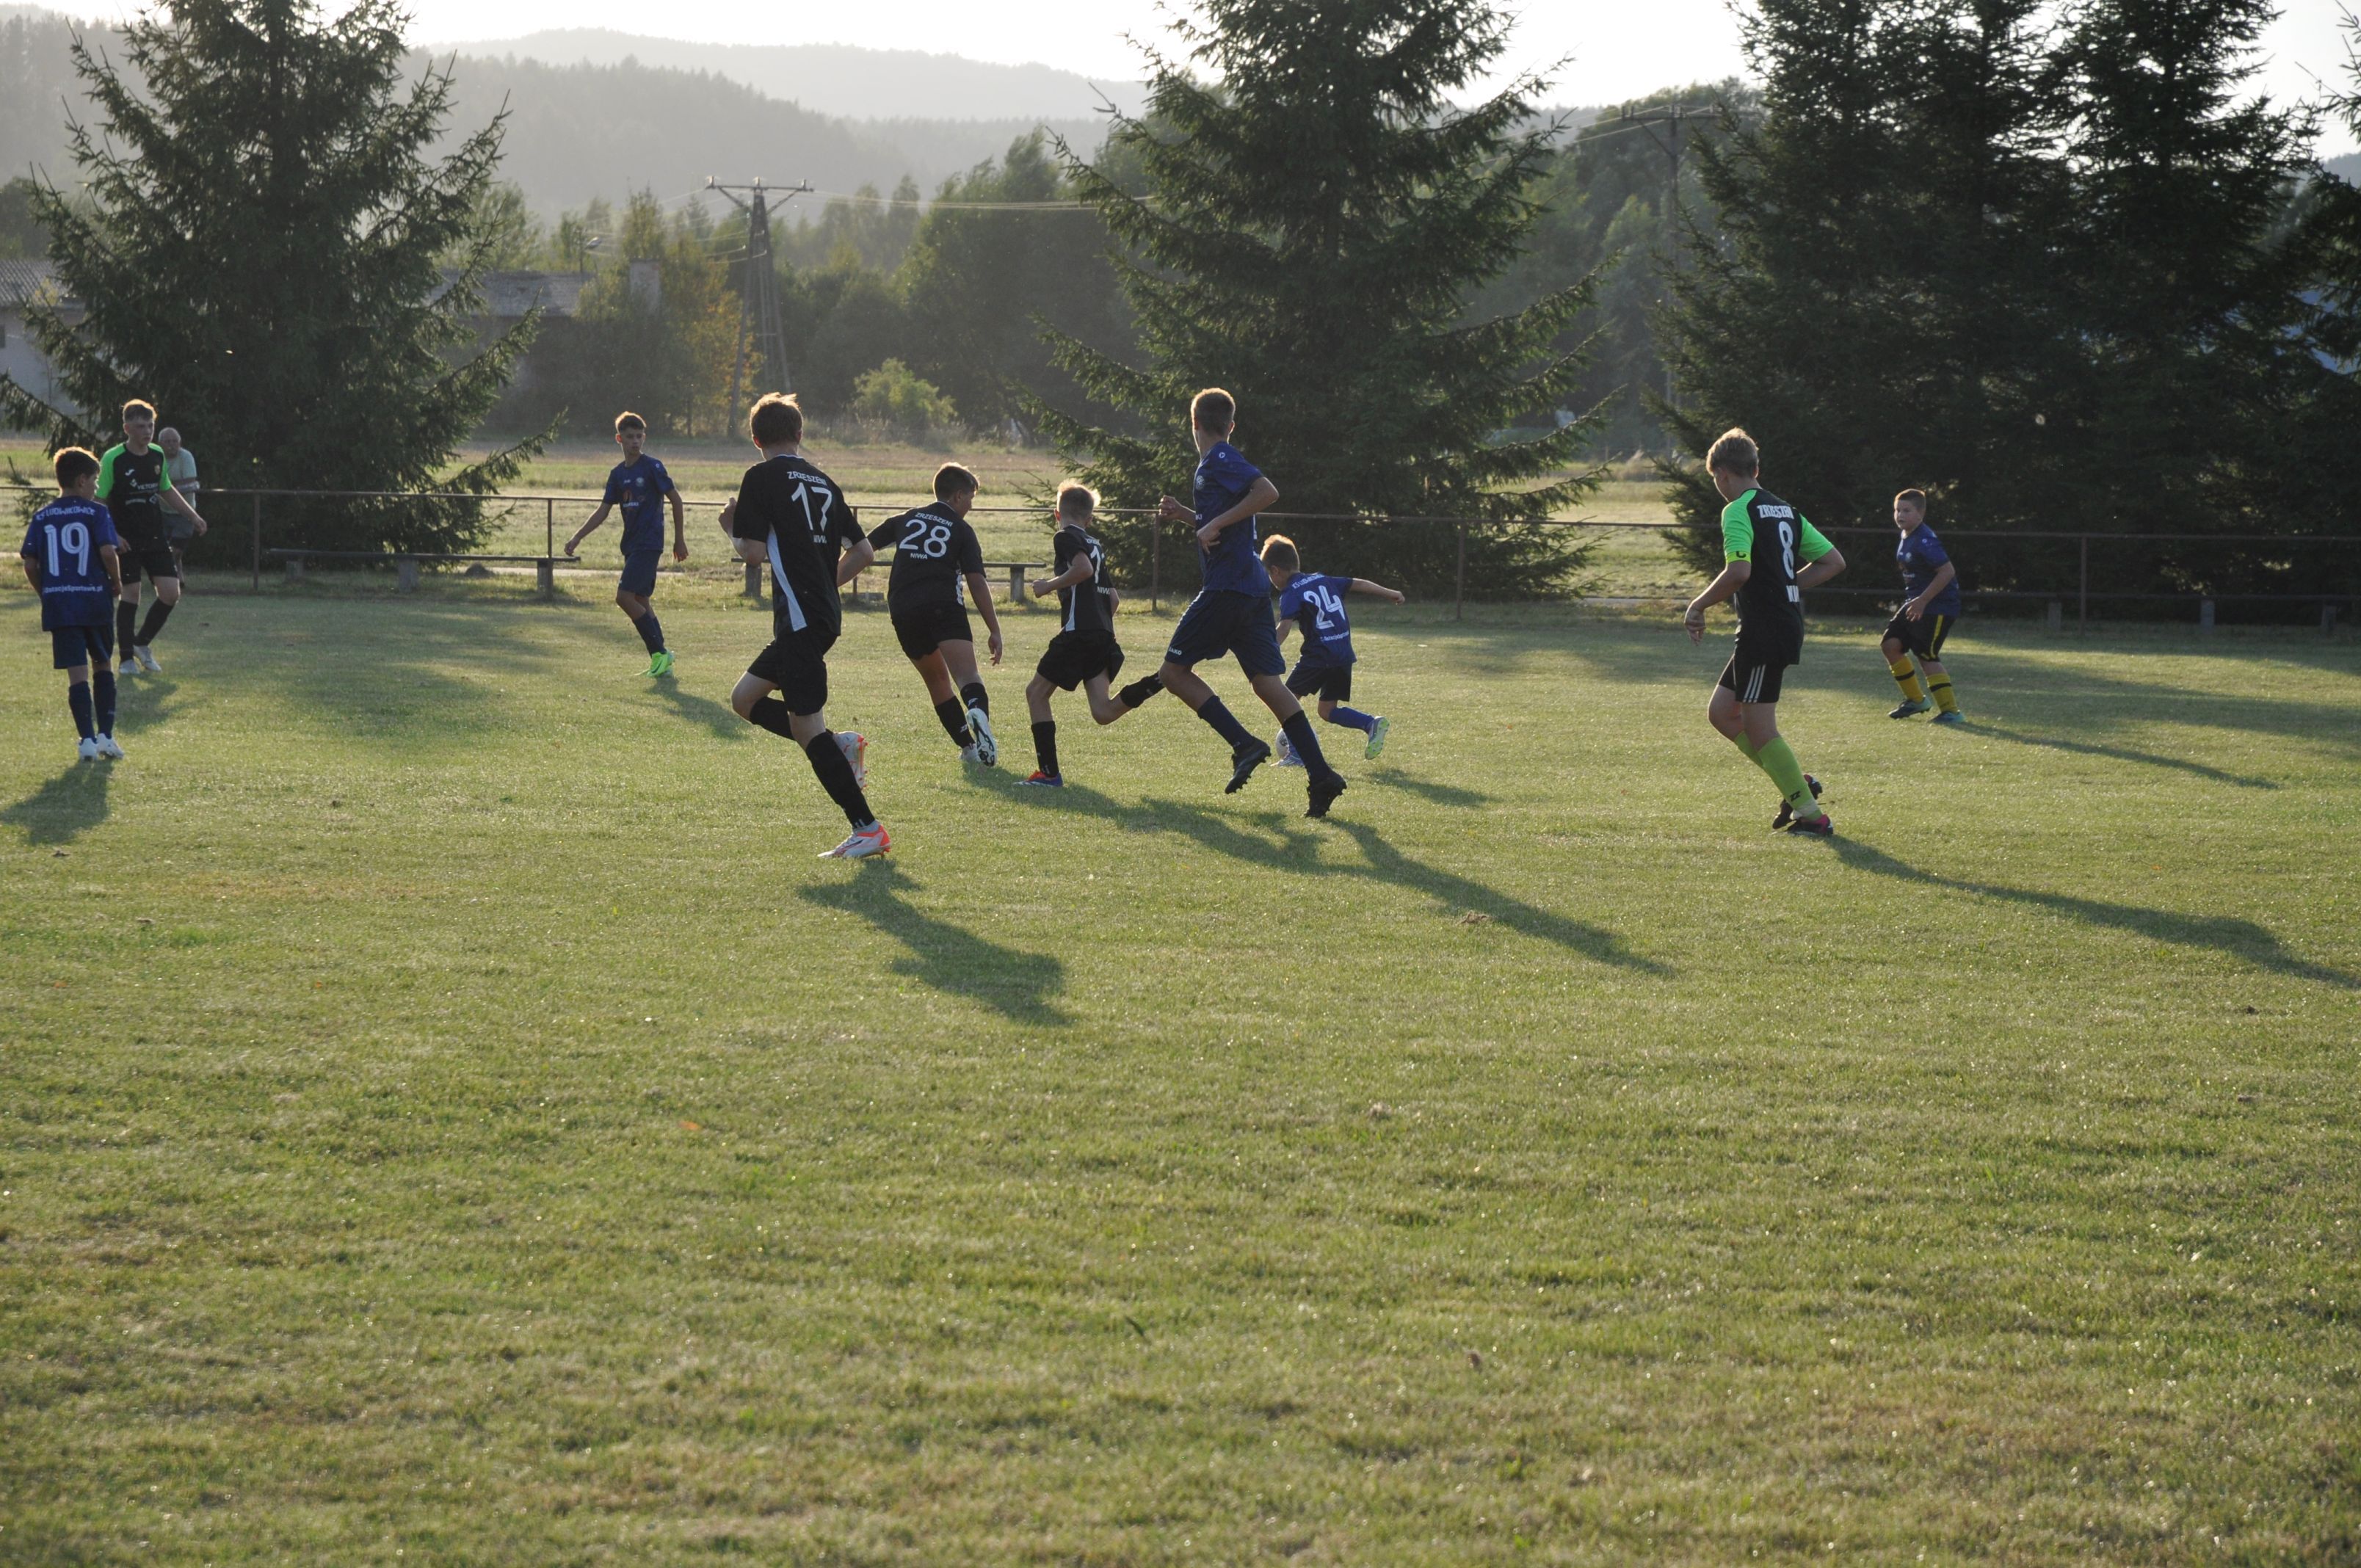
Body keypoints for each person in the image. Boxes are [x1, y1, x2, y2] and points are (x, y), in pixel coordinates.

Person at [1126, 388, 1348, 817]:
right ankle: (1322, 775)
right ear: (1230, 424)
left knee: (1173, 673)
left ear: (1194, 423)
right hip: (1251, 588)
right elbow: (1225, 522)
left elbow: (1267, 492)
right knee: (1267, 685)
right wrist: (1190, 517)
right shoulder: (1214, 465)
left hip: (1228, 587)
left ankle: (1244, 743)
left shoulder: (1220, 458)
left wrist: (1213, 525)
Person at [719, 393, 888, 859]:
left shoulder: (760, 477)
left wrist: (729, 527)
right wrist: (825, 586)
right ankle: (839, 746)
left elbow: (753, 553)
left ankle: (867, 828)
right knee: (744, 700)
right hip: (821, 617)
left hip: (798, 619)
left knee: (806, 727)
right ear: (799, 434)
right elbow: (864, 552)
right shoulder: (824, 481)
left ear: (756, 439)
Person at [1683, 428, 1846, 835]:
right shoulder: (1786, 510)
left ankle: (1812, 816)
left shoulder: (1737, 509)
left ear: (1722, 474)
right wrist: (1786, 585)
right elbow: (1833, 562)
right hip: (1778, 625)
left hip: (1764, 629)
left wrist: (1698, 605)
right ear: (1755, 469)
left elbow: (1739, 572)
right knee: (1721, 713)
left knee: (1759, 728)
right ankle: (1797, 783)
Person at [832, 462, 1007, 766]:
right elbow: (977, 582)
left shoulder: (905, 518)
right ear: (957, 496)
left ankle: (968, 749)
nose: (971, 505)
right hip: (943, 604)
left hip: (903, 607)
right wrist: (994, 629)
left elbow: (862, 551)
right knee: (967, 676)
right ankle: (977, 711)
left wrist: (828, 583)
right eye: (970, 498)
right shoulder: (962, 530)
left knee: (936, 681)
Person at [1018, 482, 1130, 786]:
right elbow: (1113, 599)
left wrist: (1048, 586)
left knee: (1036, 694)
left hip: (1078, 633)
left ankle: (1048, 774)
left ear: (1057, 513)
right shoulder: (1096, 544)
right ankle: (1156, 682)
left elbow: (1083, 570)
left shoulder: (1065, 536)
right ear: (1090, 519)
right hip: (1102, 634)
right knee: (1103, 711)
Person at [19, 447, 126, 761]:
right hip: (93, 599)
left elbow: (30, 565)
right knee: (103, 663)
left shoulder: (42, 516)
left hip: (61, 604)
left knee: (77, 674)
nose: (96, 487)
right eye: (94, 480)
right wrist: (116, 581)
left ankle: (87, 741)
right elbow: (107, 552)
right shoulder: (97, 513)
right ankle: (106, 736)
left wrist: (46, 593)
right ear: (81, 480)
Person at [1260, 534, 1403, 766]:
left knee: (1285, 700)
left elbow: (1283, 629)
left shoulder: (1291, 592)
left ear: (1275, 571)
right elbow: (1358, 583)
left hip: (1319, 655)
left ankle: (1297, 754)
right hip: (1343, 655)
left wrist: (1266, 654)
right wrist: (1391, 593)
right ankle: (1370, 723)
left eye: (1269, 574)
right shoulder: (1323, 579)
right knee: (1327, 711)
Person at [566, 411, 687, 676]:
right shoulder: (618, 474)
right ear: (619, 439)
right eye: (630, 437)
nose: (635, 441)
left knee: (624, 597)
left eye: (639, 436)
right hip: (631, 545)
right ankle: (663, 659)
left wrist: (679, 539)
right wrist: (578, 536)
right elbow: (603, 510)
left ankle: (659, 653)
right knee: (641, 599)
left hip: (649, 543)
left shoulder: (653, 467)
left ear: (644, 438)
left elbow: (676, 500)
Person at [101, 400, 206, 675]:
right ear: (127, 429)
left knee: (171, 593)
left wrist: (193, 516)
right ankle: (126, 659)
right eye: (140, 426)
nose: (147, 431)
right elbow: (99, 502)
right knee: (131, 594)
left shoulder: (157, 454)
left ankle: (141, 643)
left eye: (150, 425)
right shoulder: (114, 458)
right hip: (126, 540)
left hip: (154, 536)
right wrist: (113, 535)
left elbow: (166, 490)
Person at [1881, 487, 1965, 724]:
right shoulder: (1907, 535)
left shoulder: (1925, 540)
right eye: (1897, 510)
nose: (1900, 515)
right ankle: (1916, 701)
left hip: (1938, 606)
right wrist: (1917, 601)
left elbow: (1947, 571)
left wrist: (1923, 600)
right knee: (1890, 645)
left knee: (1926, 653)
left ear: (1921, 513)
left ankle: (1951, 712)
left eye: (1906, 510)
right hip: (1916, 602)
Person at [157, 426, 199, 576]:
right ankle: (176, 577)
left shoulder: (186, 457)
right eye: (168, 441)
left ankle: (170, 575)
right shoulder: (156, 457)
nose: (172, 445)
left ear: (180, 443)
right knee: (164, 547)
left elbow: (190, 483)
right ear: (160, 444)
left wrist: (165, 487)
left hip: (184, 511)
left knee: (176, 550)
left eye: (175, 441)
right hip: (162, 511)